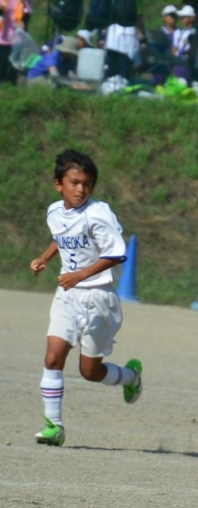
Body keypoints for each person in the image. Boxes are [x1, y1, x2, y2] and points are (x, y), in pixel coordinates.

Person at [30, 150, 143, 448]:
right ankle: (54, 426)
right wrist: (44, 258)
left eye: (88, 184)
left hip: (99, 297)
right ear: (59, 184)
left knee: (90, 371)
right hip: (68, 296)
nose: (81, 189)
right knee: (53, 357)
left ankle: (130, 376)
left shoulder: (99, 214)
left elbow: (116, 253)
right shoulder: (55, 212)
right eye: (75, 183)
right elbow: (61, 235)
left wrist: (79, 275)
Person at [171, 4, 194, 81]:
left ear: (191, 18)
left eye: (184, 17)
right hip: (178, 61)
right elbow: (174, 48)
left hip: (187, 61)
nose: (181, 19)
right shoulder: (179, 32)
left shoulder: (194, 32)